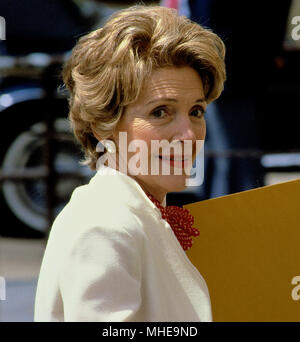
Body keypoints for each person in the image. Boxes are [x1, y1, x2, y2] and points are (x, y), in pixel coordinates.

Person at [34, 5, 226, 322]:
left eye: (196, 111)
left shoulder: (136, 210)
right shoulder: (105, 224)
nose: (188, 134)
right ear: (104, 125)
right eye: (161, 112)